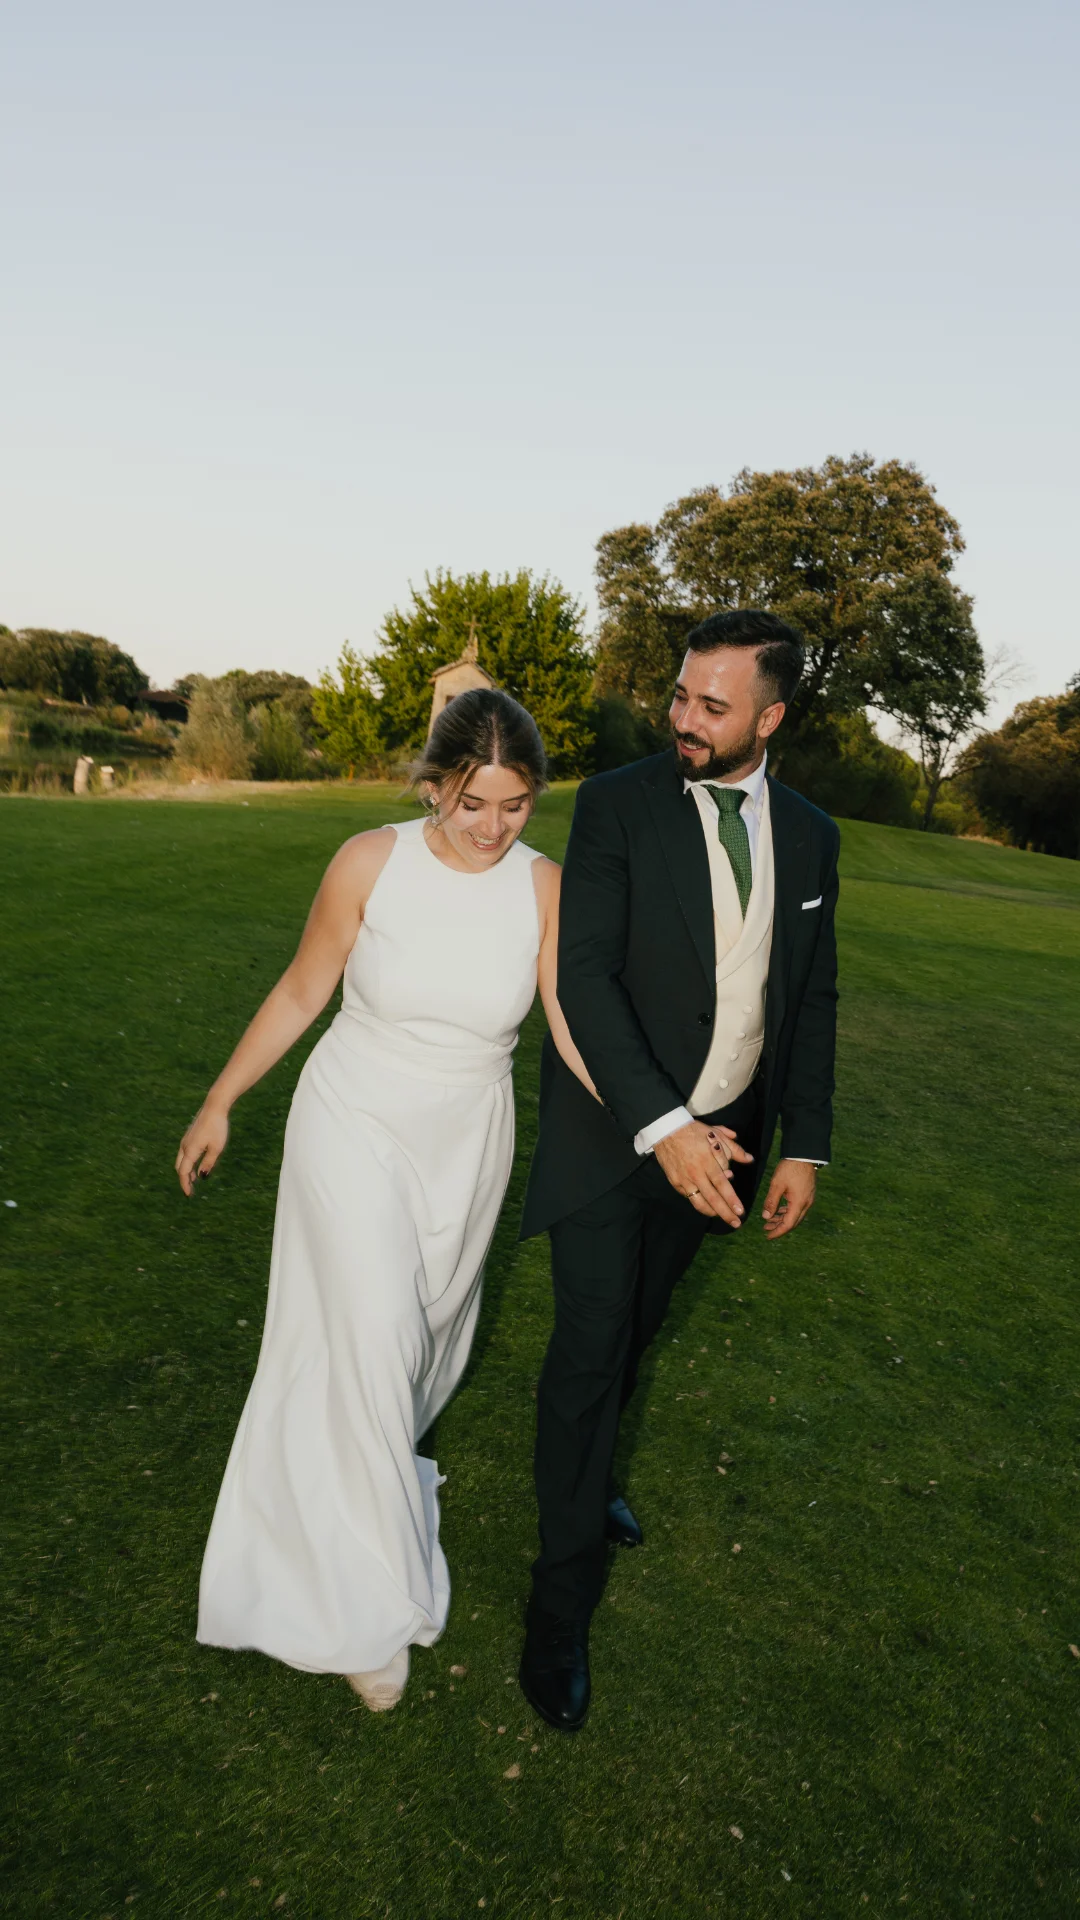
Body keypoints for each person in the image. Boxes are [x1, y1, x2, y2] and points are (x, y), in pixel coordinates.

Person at [177, 688, 591, 1712]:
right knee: (366, 1334)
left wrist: (658, 1122)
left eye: (517, 805)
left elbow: (574, 1025)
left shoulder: (544, 888)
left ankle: (339, 1503)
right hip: (352, 1118)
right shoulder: (369, 863)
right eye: (471, 803)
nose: (493, 827)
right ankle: (368, 1613)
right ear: (433, 787)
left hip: (466, 1136)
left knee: (414, 1349)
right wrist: (223, 1099)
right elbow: (301, 990)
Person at [518, 609, 840, 1732]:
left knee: (641, 1328)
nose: (684, 720)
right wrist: (664, 1124)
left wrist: (803, 1139)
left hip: (733, 1147)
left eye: (714, 704)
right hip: (617, 1142)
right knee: (591, 1347)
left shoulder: (811, 834)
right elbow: (588, 984)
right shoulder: (612, 806)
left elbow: (810, 996)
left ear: (772, 714)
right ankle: (557, 1613)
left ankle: (594, 1463)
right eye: (679, 697)